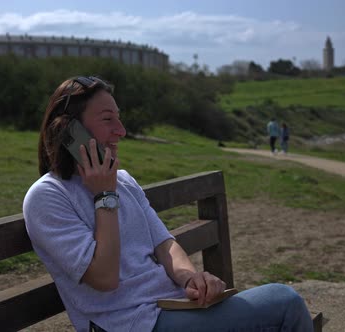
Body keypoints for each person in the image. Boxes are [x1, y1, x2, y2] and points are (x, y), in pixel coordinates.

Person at [23, 76, 314, 332]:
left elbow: (164, 244)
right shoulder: (48, 197)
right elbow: (105, 278)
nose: (121, 130)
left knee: (280, 304)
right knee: (285, 303)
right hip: (129, 324)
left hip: (171, 307)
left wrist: (191, 278)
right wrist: (104, 196)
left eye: (119, 118)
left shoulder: (123, 181)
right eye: (108, 119)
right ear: (71, 131)